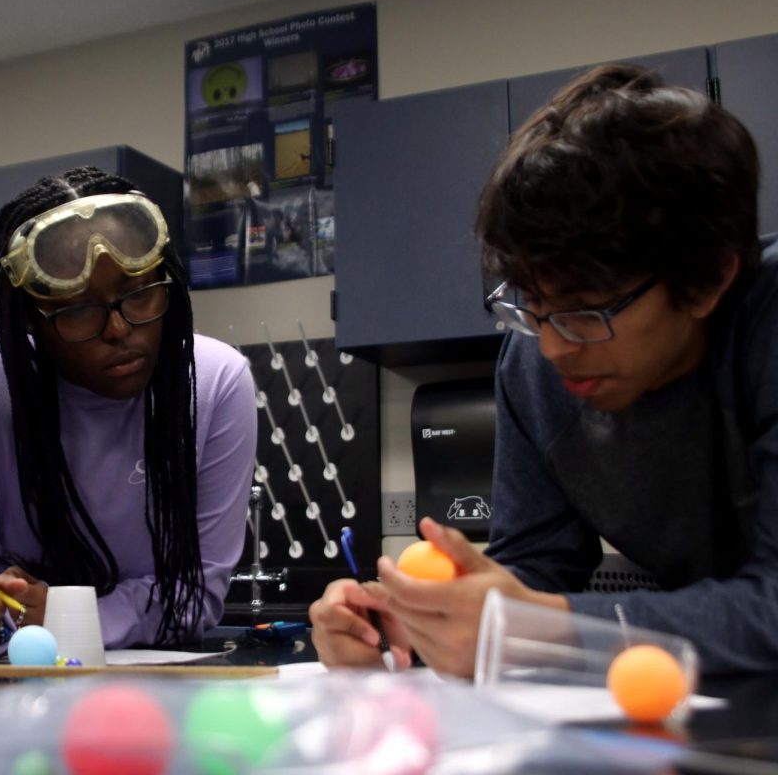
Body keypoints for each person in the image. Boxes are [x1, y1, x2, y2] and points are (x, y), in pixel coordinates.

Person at [311, 63, 778, 676]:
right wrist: (424, 626)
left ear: (708, 277)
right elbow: (534, 569)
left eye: (585, 313)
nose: (554, 347)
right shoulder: (532, 365)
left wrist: (546, 627)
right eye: (530, 307)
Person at [0, 166, 257, 660]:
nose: (119, 328)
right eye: (79, 310)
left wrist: (66, 615)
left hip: (136, 671)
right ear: (31, 321)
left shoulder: (216, 384)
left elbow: (195, 592)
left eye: (139, 293)